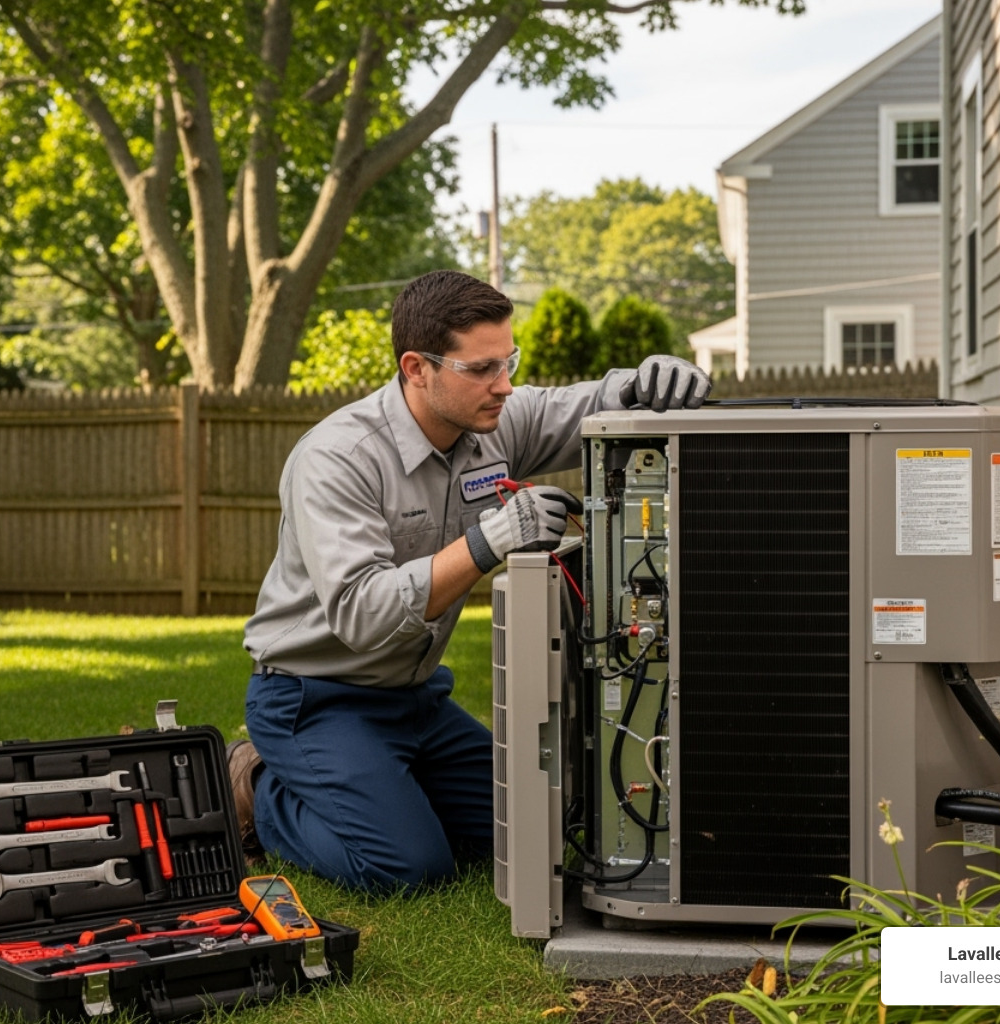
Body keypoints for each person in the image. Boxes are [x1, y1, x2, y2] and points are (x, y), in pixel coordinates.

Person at [229, 270, 710, 891]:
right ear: (417, 367)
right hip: (315, 697)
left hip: (417, 700)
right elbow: (361, 613)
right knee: (408, 867)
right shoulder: (338, 458)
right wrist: (491, 541)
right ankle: (257, 785)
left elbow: (586, 405)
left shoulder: (493, 422)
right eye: (481, 369)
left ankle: (390, 787)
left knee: (546, 826)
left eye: (508, 361)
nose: (504, 385)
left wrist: (644, 382)